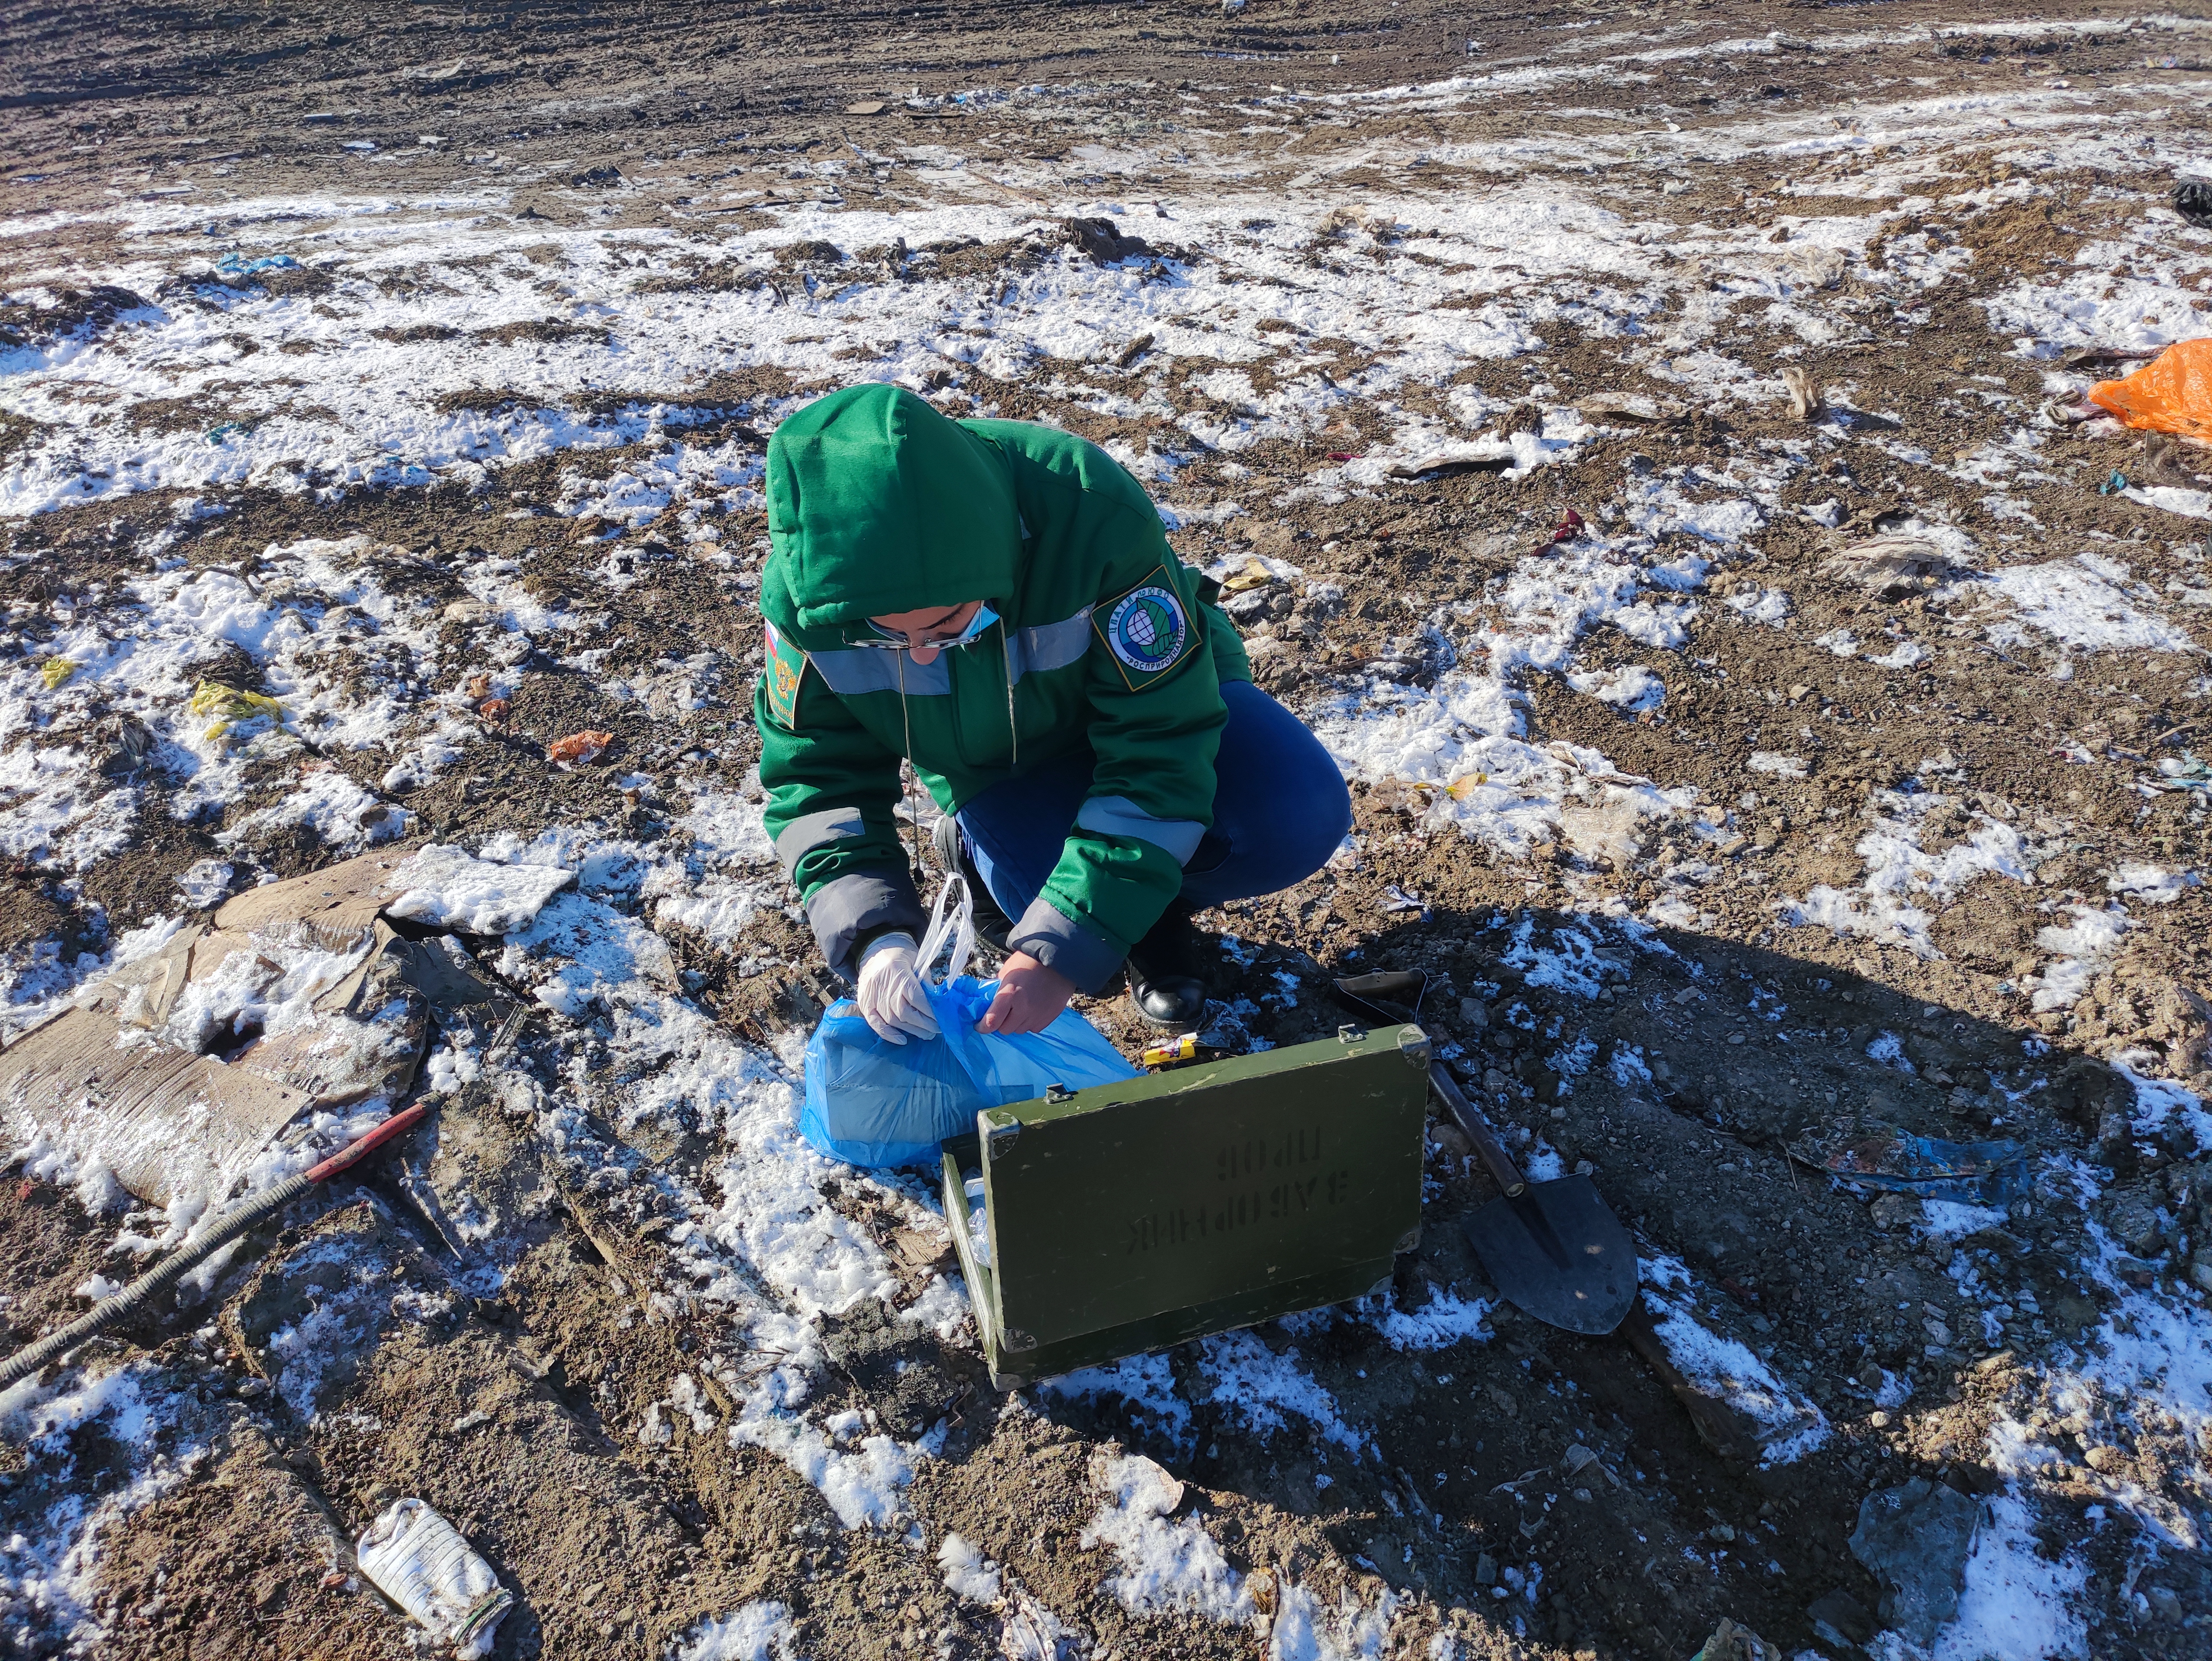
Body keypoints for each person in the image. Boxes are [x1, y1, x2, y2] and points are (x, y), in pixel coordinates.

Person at [755, 383, 1350, 1043]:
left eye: (948, 623)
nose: (921, 656)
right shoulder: (810, 601)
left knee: (1295, 814)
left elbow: (1162, 744)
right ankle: (1021, 869)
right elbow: (816, 781)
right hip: (999, 766)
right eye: (887, 636)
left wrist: (1061, 946)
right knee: (1036, 889)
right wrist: (875, 934)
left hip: (1151, 708)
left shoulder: (1090, 514)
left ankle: (1128, 903)